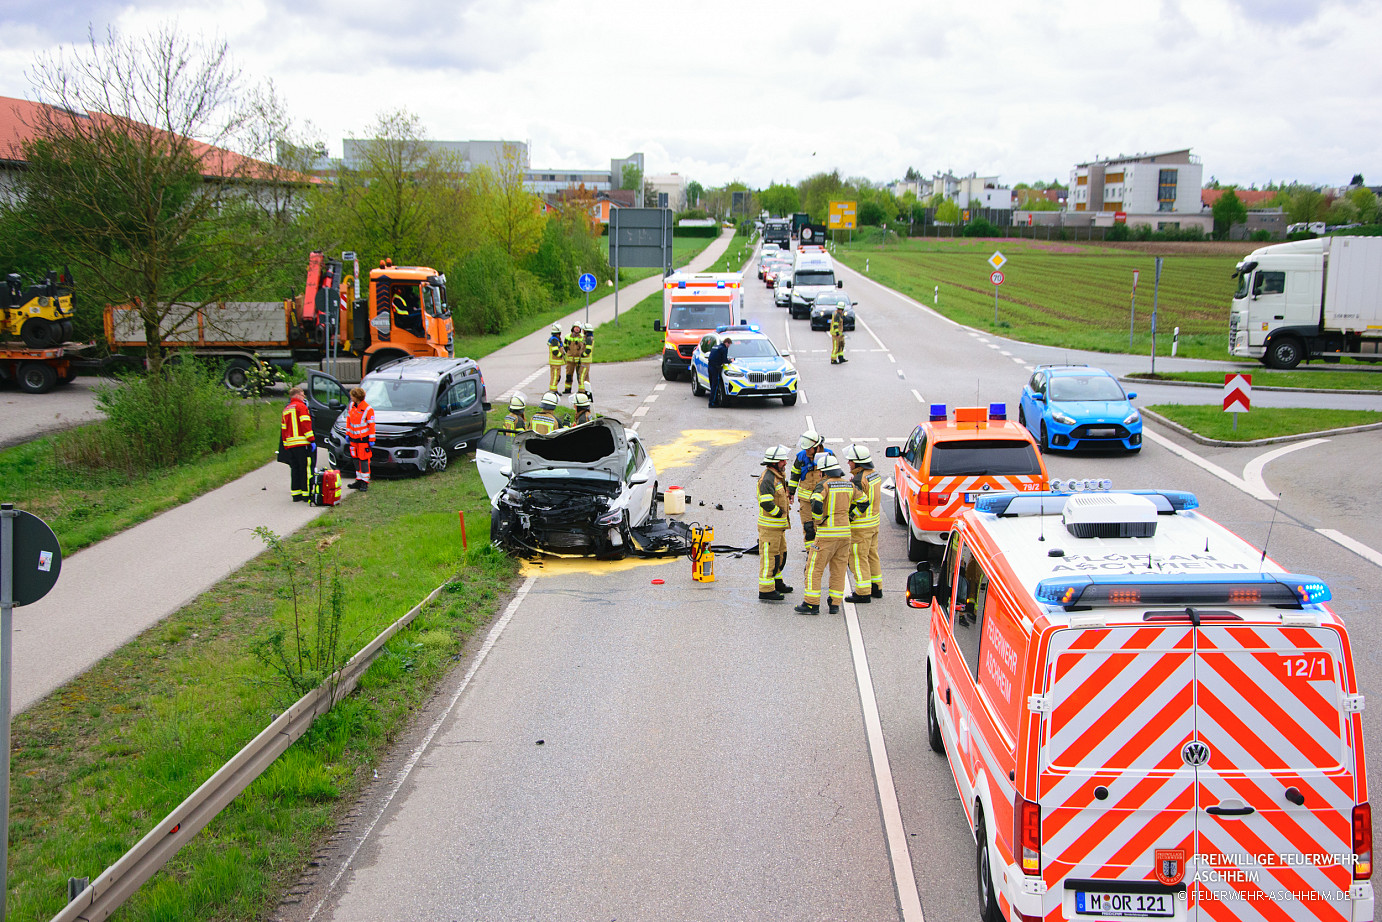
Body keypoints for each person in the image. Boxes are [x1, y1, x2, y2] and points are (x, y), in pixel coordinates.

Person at [795, 453, 857, 616]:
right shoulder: (848, 485)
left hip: (827, 534)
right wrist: (850, 516)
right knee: (839, 569)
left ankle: (811, 604)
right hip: (845, 534)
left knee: (813, 569)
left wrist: (819, 520)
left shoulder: (824, 484)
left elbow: (815, 502)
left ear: (823, 472)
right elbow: (864, 501)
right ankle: (835, 604)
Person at [844, 444, 883, 602]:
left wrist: (850, 516)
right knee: (872, 555)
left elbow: (859, 503)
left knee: (858, 558)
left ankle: (862, 592)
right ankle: (876, 587)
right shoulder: (874, 474)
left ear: (858, 462)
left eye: (850, 461)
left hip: (861, 527)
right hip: (873, 523)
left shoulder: (859, 480)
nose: (848, 463)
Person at [756, 444, 794, 602]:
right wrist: (779, 513)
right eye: (782, 461)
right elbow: (766, 502)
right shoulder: (768, 479)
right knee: (769, 558)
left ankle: (777, 582)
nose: (785, 463)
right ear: (773, 462)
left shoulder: (778, 476)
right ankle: (766, 590)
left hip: (778, 527)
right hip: (770, 527)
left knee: (780, 555)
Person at [786, 429, 825, 551]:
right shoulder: (801, 457)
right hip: (806, 500)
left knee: (821, 526)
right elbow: (794, 475)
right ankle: (810, 551)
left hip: (823, 499)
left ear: (817, 447)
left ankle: (822, 550)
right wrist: (791, 492)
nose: (807, 451)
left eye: (809, 449)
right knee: (808, 527)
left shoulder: (828, 456)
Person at [280, 385, 315, 502]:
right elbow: (305, 424)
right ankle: (306, 494)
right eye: (302, 394)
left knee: (294, 469)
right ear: (297, 395)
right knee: (304, 468)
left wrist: (285, 444)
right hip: (302, 443)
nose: (304, 397)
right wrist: (311, 440)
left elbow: (283, 429)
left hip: (290, 444)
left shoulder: (286, 409)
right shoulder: (301, 407)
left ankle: (296, 494)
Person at [344, 386, 375, 492]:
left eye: (352, 396)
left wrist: (371, 439)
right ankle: (358, 480)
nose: (351, 398)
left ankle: (365, 482)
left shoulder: (367, 409)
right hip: (353, 439)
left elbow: (371, 425)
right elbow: (349, 421)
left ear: (356, 397)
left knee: (364, 461)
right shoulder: (352, 406)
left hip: (363, 440)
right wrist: (347, 433)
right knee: (356, 460)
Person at [707, 335, 731, 408]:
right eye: (729, 344)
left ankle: (713, 401)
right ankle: (712, 403)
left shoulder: (715, 347)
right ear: (727, 343)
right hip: (715, 368)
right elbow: (724, 360)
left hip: (710, 366)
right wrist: (730, 361)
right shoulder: (724, 349)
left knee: (712, 384)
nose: (729, 346)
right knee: (715, 384)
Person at [562, 324, 585, 394]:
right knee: (568, 375)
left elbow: (584, 347)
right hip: (570, 360)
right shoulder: (567, 337)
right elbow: (565, 347)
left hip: (579, 360)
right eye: (576, 328)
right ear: (573, 328)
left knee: (580, 375)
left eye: (578, 328)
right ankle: (567, 389)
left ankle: (581, 390)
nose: (577, 329)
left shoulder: (582, 337)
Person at [546, 323, 565, 392]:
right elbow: (555, 351)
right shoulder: (554, 340)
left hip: (556, 363)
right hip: (555, 363)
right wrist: (561, 355)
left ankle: (554, 389)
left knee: (556, 377)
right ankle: (553, 391)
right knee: (555, 377)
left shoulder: (556, 339)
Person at [578, 327, 594, 393]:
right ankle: (587, 390)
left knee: (582, 375)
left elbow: (588, 350)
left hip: (585, 361)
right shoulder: (588, 338)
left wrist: (582, 355)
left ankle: (581, 390)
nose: (582, 331)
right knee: (586, 376)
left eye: (583, 330)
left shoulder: (588, 339)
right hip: (586, 360)